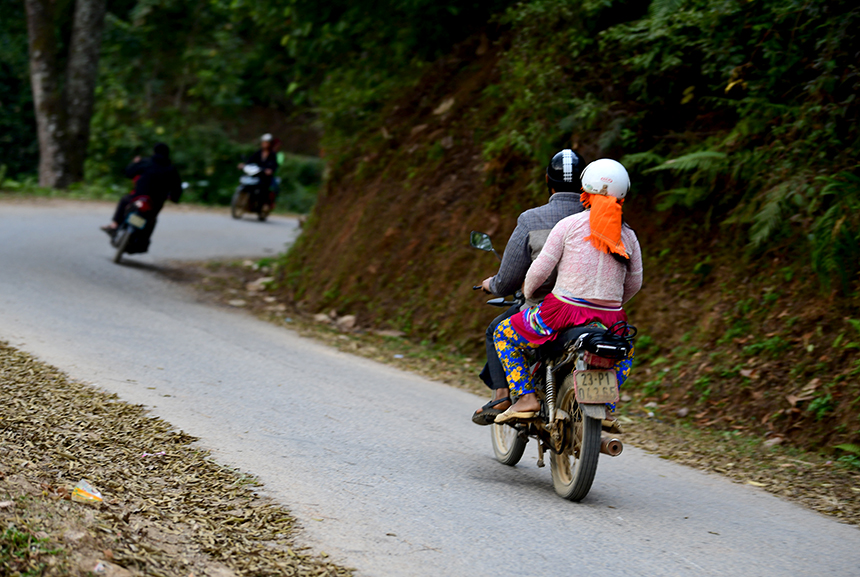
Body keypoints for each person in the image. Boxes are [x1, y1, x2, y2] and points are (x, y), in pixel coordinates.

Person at [492, 158, 643, 424]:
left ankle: (526, 398)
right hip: (611, 319)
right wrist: (612, 306)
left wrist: (528, 294)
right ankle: (606, 405)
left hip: (561, 312)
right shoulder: (628, 235)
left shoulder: (570, 225)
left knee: (504, 333)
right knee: (625, 350)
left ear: (585, 188)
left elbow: (540, 269)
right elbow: (634, 283)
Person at [472, 149, 587, 426]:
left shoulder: (532, 220)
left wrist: (495, 284)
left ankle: (506, 397)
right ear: (585, 184)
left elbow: (511, 278)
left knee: (497, 330)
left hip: (547, 310)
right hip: (597, 311)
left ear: (548, 181)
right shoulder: (603, 221)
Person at [101, 143, 182, 234]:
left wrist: (135, 163)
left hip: (139, 196)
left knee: (124, 200)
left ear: (154, 152)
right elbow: (177, 188)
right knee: (152, 220)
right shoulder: (171, 169)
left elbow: (128, 173)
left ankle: (114, 225)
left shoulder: (146, 162)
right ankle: (144, 240)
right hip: (156, 202)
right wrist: (174, 198)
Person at [238, 133, 279, 210]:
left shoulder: (272, 155)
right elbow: (250, 160)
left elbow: (274, 165)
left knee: (263, 188)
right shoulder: (258, 152)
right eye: (263, 142)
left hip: (265, 177)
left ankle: (261, 205)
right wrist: (244, 165)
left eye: (266, 142)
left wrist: (269, 170)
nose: (264, 144)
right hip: (256, 174)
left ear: (270, 144)